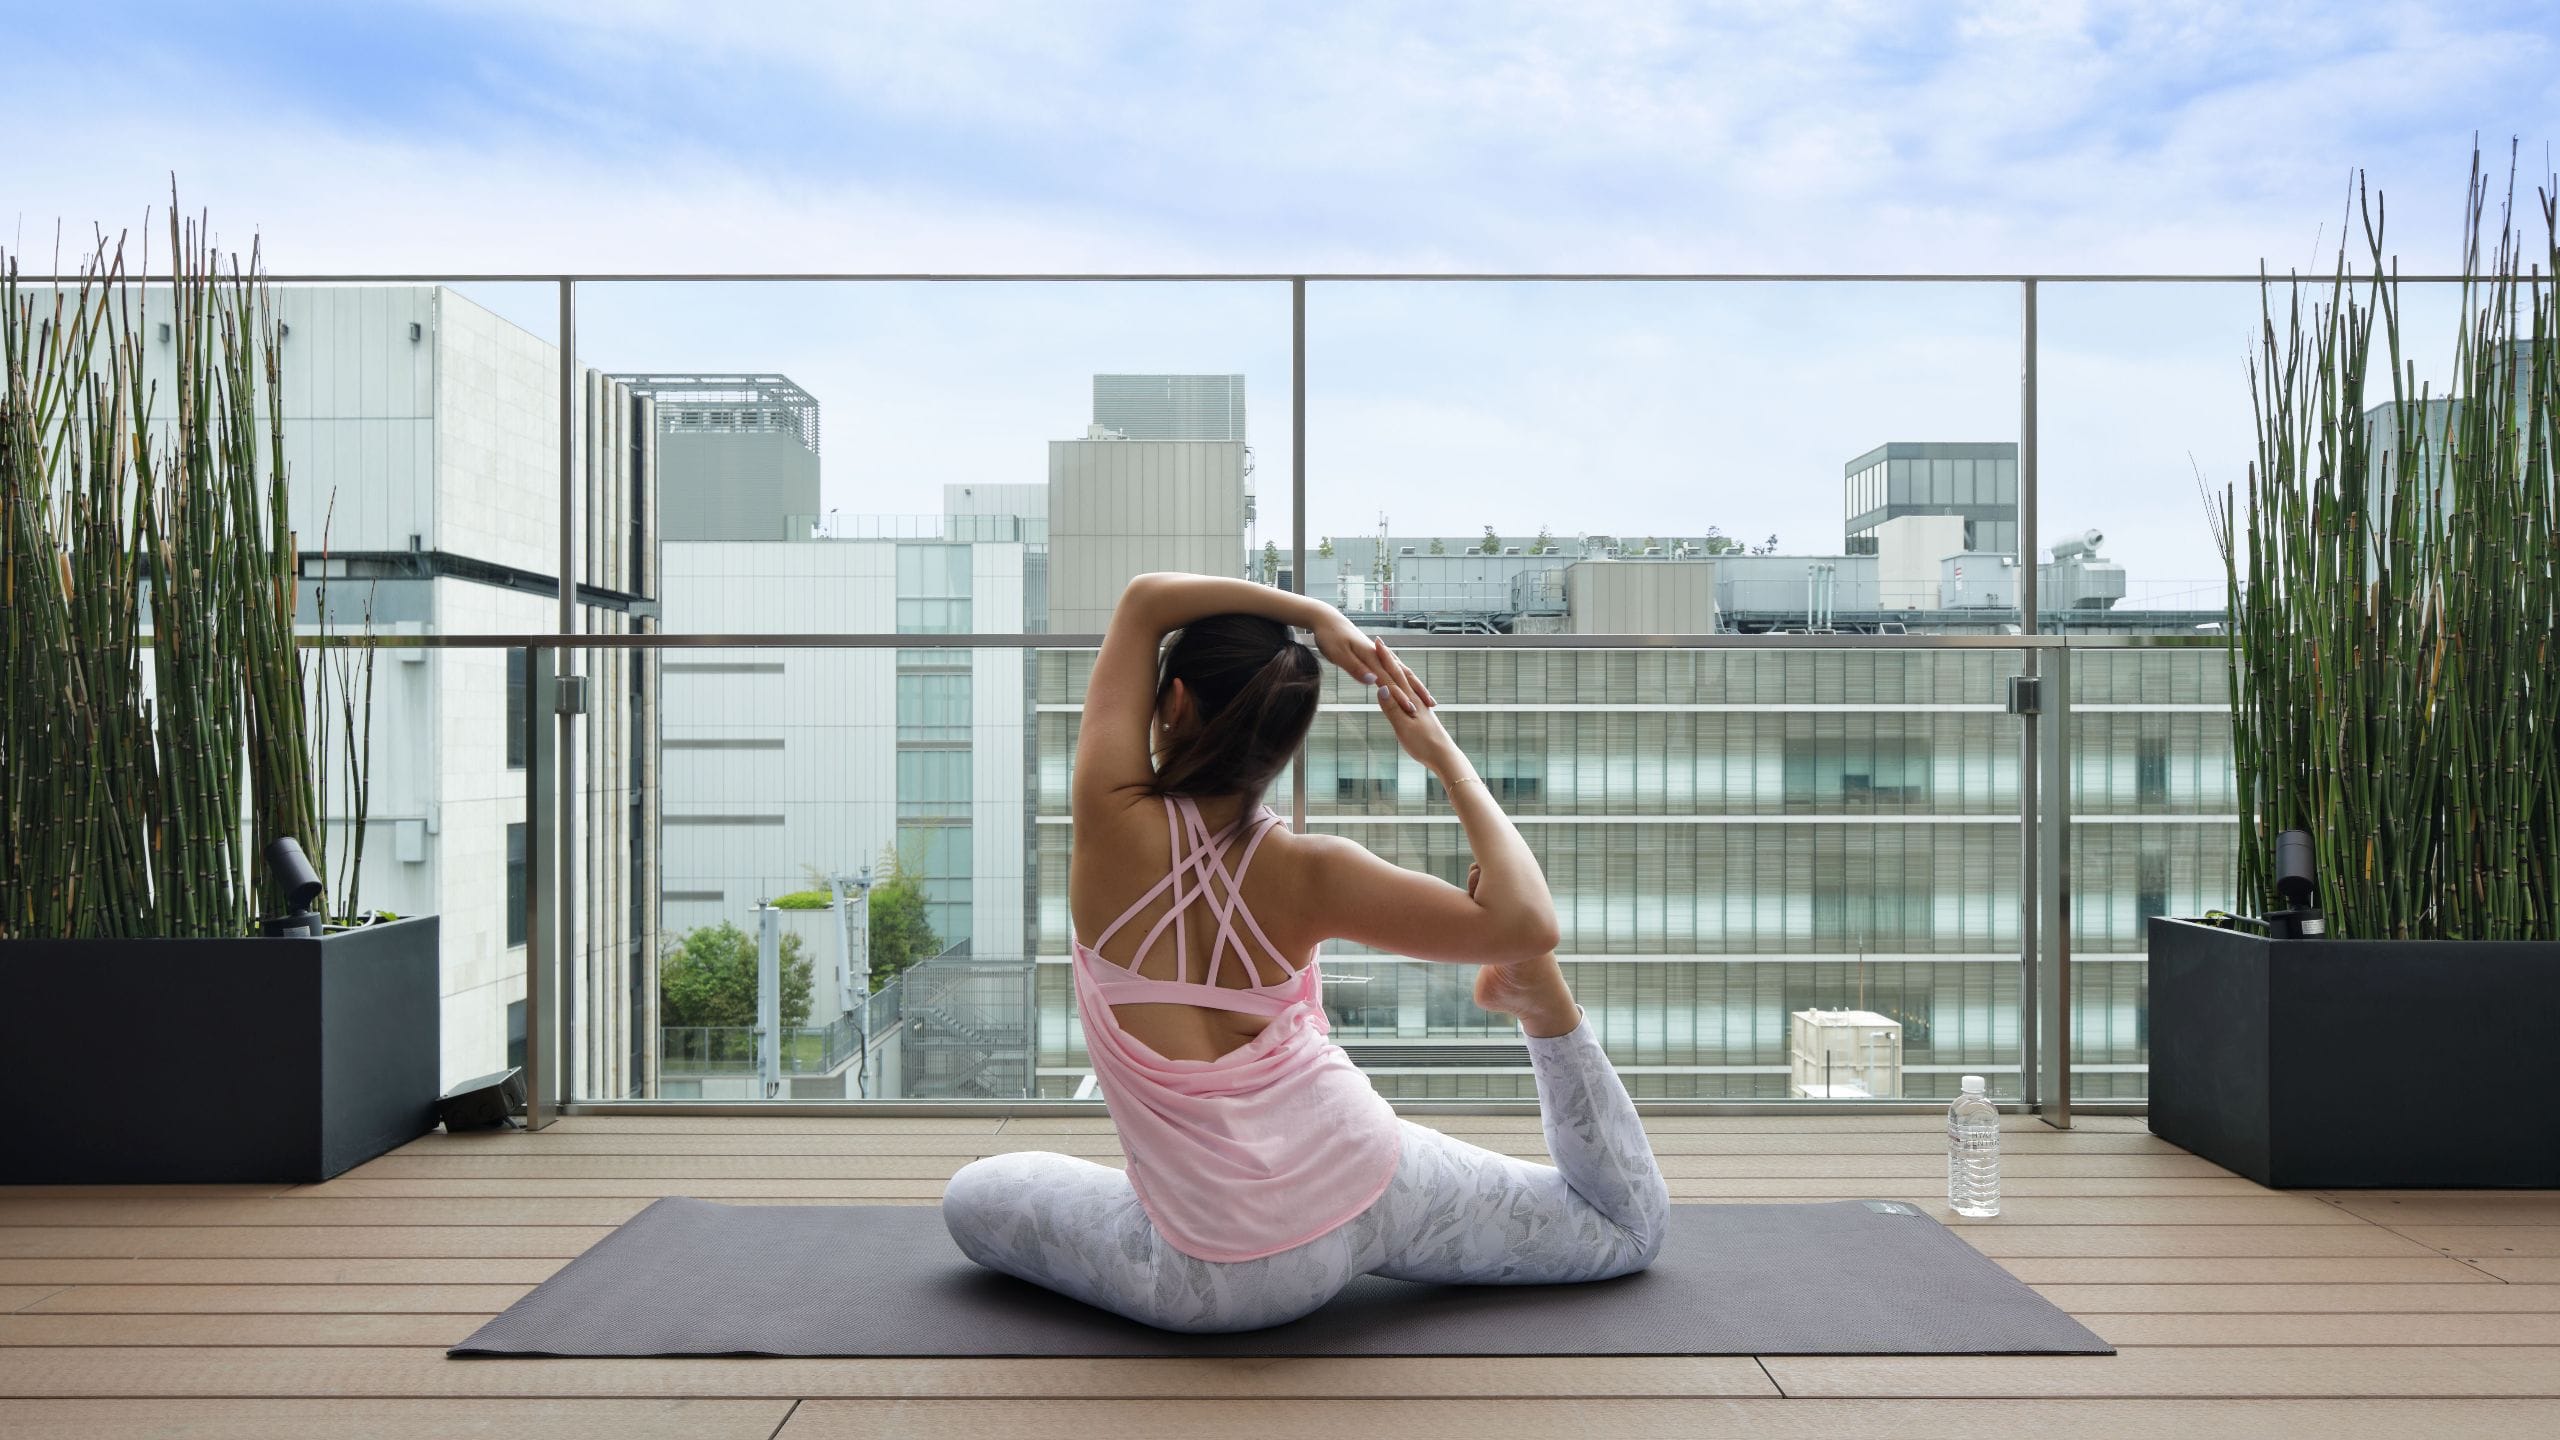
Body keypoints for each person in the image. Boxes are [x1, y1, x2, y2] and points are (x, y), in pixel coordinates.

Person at [940, 571, 1668, 1333]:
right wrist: (1441, 753)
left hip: (1208, 1279)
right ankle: (1539, 1003)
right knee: (1626, 1230)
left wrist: (1314, 615)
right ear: (1286, 739)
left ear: (1176, 703)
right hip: (1372, 1186)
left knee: (975, 1196)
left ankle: (1166, 1190)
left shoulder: (1108, 819)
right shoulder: (1316, 872)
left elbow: (1143, 602)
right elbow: (1527, 919)